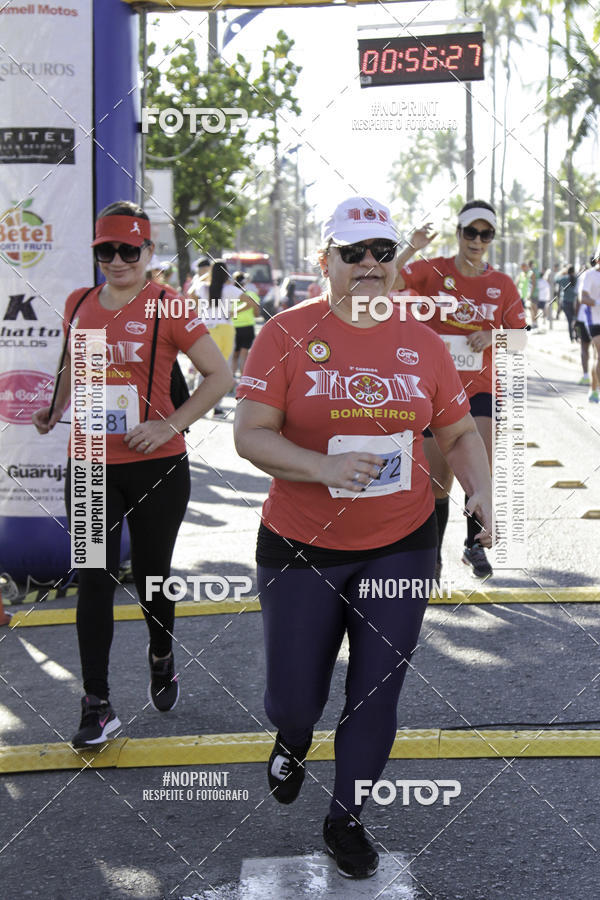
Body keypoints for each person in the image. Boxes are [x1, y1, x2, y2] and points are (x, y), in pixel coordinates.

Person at [234, 195, 493, 880]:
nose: (371, 264)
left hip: (401, 540)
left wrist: (481, 491)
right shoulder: (285, 333)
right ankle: (292, 738)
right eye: (354, 253)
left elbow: (458, 432)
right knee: (296, 698)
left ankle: (345, 818)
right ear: (329, 262)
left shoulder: (425, 342)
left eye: (382, 251)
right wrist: (322, 467)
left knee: (378, 690)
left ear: (396, 264)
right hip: (299, 543)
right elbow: (249, 433)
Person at [32, 201, 233, 748]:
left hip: (157, 466)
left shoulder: (170, 306)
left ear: (147, 252)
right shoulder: (78, 303)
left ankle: (161, 651)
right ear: (95, 251)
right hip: (93, 464)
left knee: (150, 576)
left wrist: (169, 424)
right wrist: (55, 409)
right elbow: (75, 365)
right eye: (106, 250)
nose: (117, 260)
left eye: (129, 250)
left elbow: (219, 376)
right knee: (93, 576)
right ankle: (96, 703)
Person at [393, 200, 526, 579]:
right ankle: (431, 555)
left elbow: (521, 339)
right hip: (435, 391)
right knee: (438, 480)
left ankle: (473, 547)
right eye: (471, 232)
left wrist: (494, 336)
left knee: (477, 469)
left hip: (480, 391)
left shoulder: (502, 283)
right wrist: (413, 246)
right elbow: (388, 280)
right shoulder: (435, 269)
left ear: (492, 239)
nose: (477, 240)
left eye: (485, 234)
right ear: (459, 233)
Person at [190, 259, 242, 416]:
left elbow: (191, 295)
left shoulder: (203, 288)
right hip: (225, 328)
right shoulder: (230, 290)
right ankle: (217, 406)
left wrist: (205, 277)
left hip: (206, 329)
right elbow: (251, 302)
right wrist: (235, 311)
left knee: (204, 367)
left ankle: (195, 405)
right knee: (223, 369)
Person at [231, 271, 261, 379]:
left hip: (232, 327)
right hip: (247, 327)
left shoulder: (229, 295)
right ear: (245, 283)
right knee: (244, 355)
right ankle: (243, 380)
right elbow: (257, 314)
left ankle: (231, 381)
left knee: (234, 356)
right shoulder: (252, 295)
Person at [579, 254, 600, 402]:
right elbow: (583, 298)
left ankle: (593, 390)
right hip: (594, 320)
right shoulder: (589, 275)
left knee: (597, 356)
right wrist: (598, 303)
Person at [556, 265, 577, 342]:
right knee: (576, 320)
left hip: (566, 302)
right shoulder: (576, 278)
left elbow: (556, 279)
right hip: (575, 302)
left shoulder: (563, 278)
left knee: (569, 321)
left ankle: (571, 337)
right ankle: (577, 336)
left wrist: (562, 271)